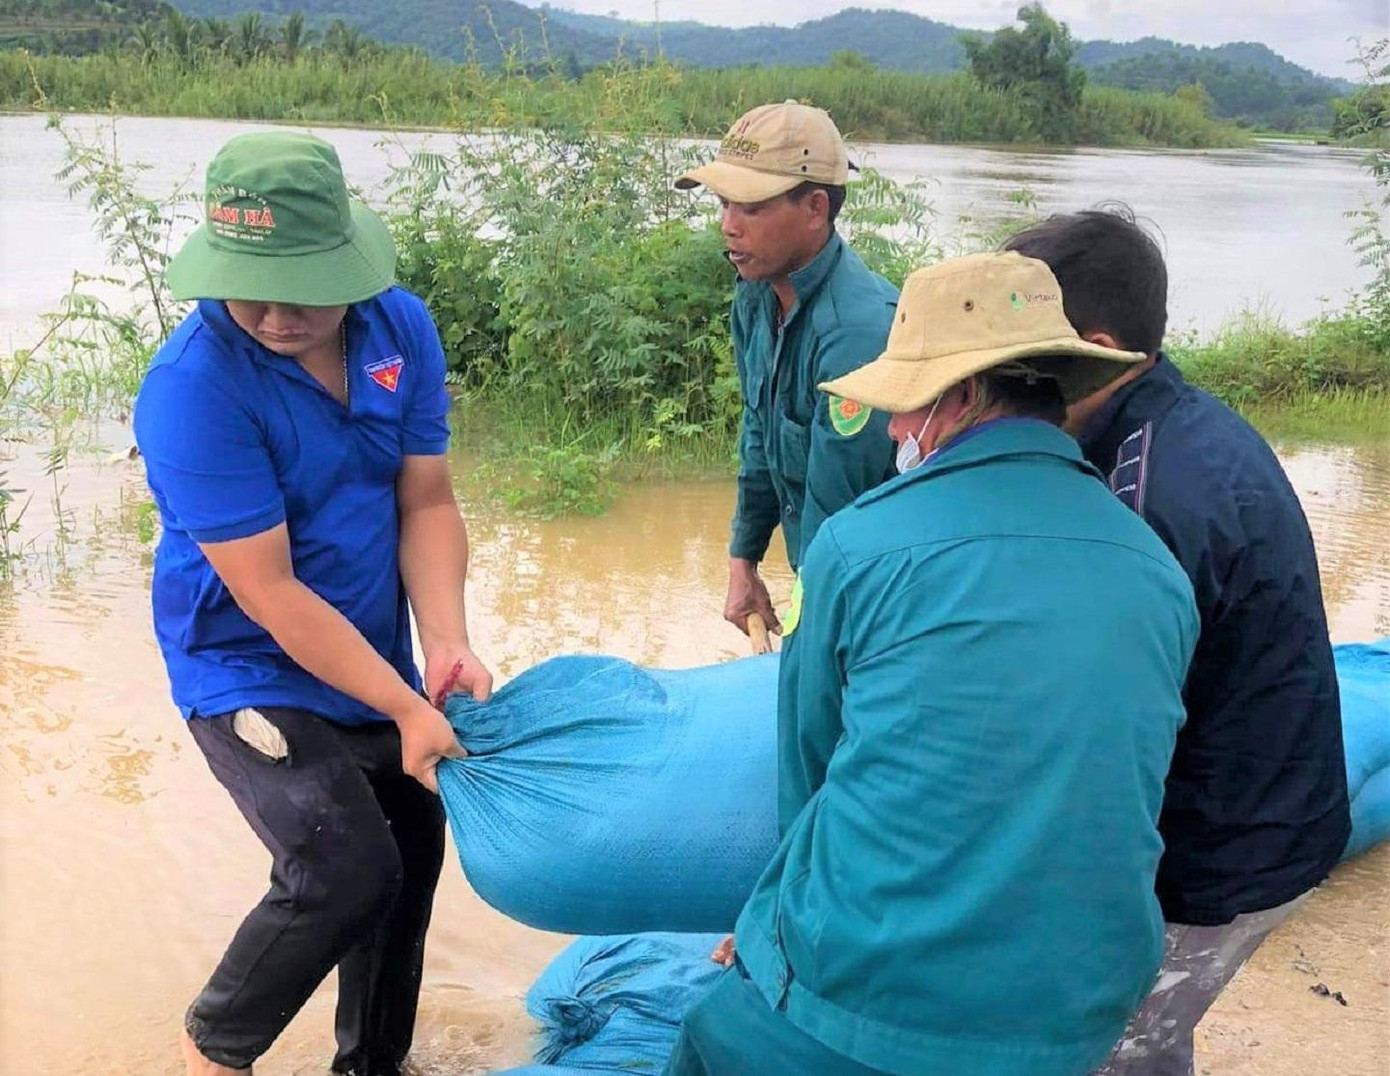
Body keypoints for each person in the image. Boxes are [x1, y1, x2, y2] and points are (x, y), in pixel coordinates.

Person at [666, 252, 1199, 1076]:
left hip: (871, 1005)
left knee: (709, 1037)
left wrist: (767, 933)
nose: (889, 431)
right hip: (1084, 1007)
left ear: (957, 398)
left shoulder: (857, 545)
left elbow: (811, 779)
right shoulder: (1157, 567)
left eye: (903, 407)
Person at [133, 131, 492, 1076]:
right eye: (249, 284)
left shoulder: (398, 327)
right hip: (244, 660)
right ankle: (214, 1050)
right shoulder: (192, 388)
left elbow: (426, 500)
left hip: (367, 647)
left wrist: (444, 644)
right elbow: (270, 590)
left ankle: (372, 1067)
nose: (275, 312)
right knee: (342, 868)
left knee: (410, 855)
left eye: (303, 283)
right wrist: (407, 707)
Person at [1004, 209, 1351, 1075]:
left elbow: (1104, 746)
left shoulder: (1145, 498)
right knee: (1145, 1036)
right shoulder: (1164, 423)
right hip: (1250, 805)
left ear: (1098, 345)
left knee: (1101, 1045)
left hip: (1222, 851)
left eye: (1018, 347)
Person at [675, 100, 898, 638]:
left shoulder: (858, 335)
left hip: (877, 595)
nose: (728, 227)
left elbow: (840, 520)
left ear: (816, 208)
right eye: (723, 203)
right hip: (827, 574)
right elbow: (760, 431)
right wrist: (742, 561)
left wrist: (810, 636)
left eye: (750, 208)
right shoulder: (755, 297)